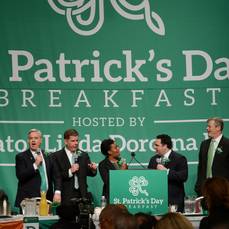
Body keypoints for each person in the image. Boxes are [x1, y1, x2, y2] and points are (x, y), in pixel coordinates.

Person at [53, 129, 97, 205]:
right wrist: (70, 171)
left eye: (77, 141)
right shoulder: (57, 156)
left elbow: (89, 173)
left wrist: (93, 169)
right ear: (66, 141)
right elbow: (56, 176)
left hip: (82, 195)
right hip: (66, 196)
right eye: (73, 141)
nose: (76, 143)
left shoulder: (83, 155)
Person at [148, 134, 188, 212]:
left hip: (174, 201)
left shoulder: (179, 158)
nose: (154, 147)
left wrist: (166, 171)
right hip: (156, 200)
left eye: (157, 145)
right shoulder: (153, 159)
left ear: (165, 146)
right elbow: (149, 179)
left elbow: (183, 177)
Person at [15, 129, 54, 209]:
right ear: (28, 141)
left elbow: (55, 175)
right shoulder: (21, 157)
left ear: (40, 140)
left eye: (36, 138)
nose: (33, 140)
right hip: (29, 200)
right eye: (30, 138)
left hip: (47, 198)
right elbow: (21, 176)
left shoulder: (48, 155)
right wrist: (35, 165)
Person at [195, 117, 229, 196]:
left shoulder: (227, 144)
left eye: (209, 126)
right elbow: (201, 167)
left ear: (218, 128)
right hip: (205, 189)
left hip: (223, 189)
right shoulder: (204, 144)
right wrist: (198, 186)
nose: (207, 128)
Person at [99, 138, 128, 203]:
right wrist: (121, 172)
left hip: (124, 196)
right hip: (111, 197)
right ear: (109, 152)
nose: (118, 149)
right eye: (115, 148)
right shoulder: (103, 165)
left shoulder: (122, 161)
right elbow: (108, 181)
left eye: (117, 146)